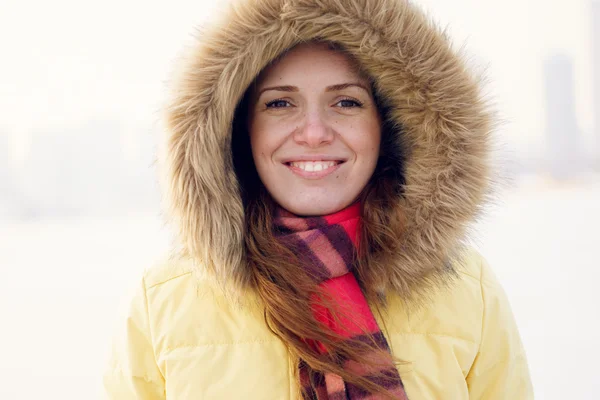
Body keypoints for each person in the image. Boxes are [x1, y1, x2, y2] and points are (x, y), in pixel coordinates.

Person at [103, 0, 533, 398]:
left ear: (390, 126)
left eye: (346, 102)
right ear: (239, 129)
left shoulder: (466, 289)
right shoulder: (163, 301)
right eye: (279, 103)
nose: (313, 132)